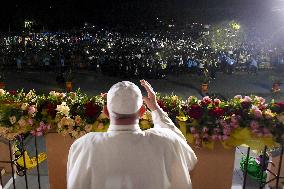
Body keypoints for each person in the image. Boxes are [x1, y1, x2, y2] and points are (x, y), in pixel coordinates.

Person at [67, 80, 197, 189]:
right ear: (142, 111)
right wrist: (156, 109)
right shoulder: (166, 141)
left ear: (106, 111)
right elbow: (189, 157)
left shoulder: (84, 146)